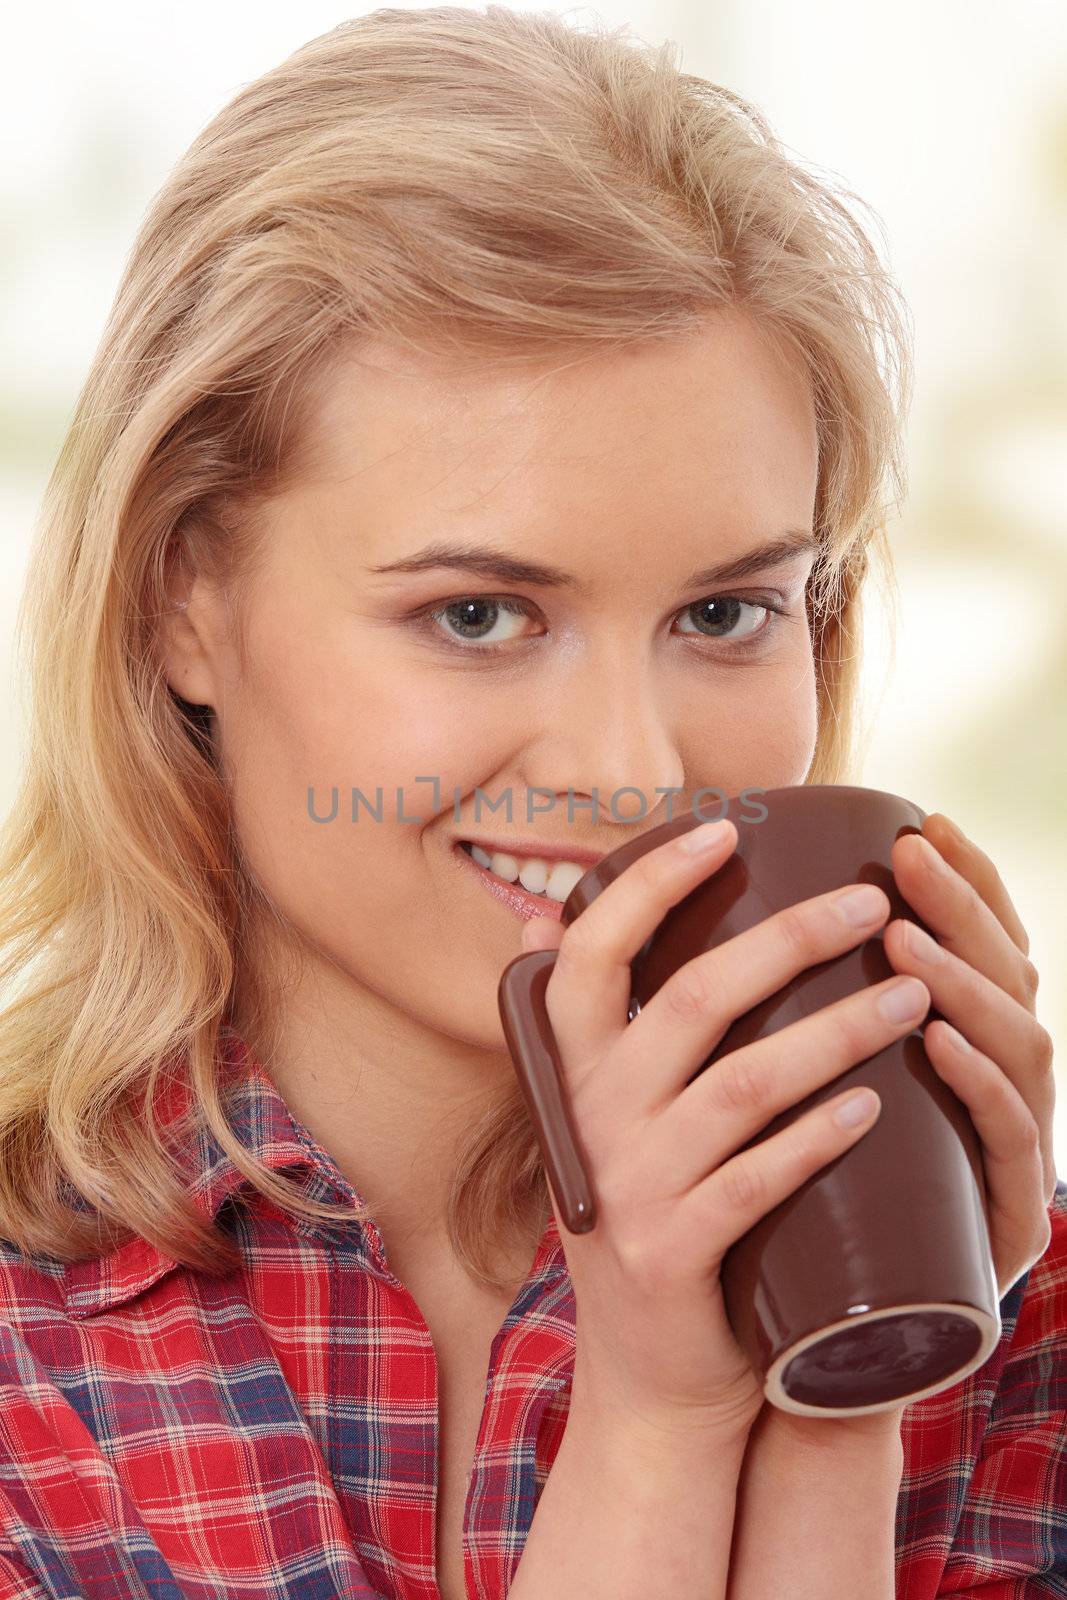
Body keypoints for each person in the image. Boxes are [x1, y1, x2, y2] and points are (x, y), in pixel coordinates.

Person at [0, 8, 1062, 1599]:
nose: (626, 768)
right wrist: (659, 1424)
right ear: (183, 601)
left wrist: (838, 1389)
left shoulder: (1014, 1325)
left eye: (725, 615)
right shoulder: (34, 1366)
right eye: (481, 616)